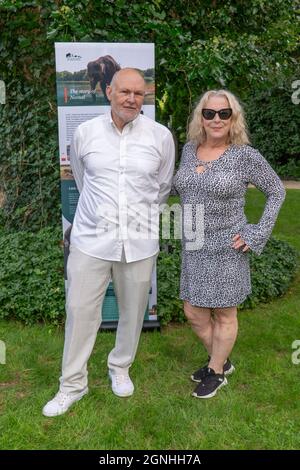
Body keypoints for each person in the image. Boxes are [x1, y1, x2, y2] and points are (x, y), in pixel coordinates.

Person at [43, 68, 175, 417]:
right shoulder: (85, 133)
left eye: (138, 93)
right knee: (79, 311)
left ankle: (120, 368)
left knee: (133, 312)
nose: (132, 99)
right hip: (90, 241)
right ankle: (72, 384)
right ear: (109, 92)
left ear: (145, 96)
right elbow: (84, 183)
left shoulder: (161, 137)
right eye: (124, 92)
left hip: (139, 243)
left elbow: (161, 189)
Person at [173, 89, 285, 399]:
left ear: (233, 118)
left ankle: (217, 370)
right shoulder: (189, 150)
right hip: (194, 245)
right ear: (201, 117)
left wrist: (256, 232)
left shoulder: (243, 155)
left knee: (224, 314)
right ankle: (218, 359)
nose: (217, 119)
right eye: (210, 113)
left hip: (228, 246)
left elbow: (277, 191)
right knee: (194, 312)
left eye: (224, 113)